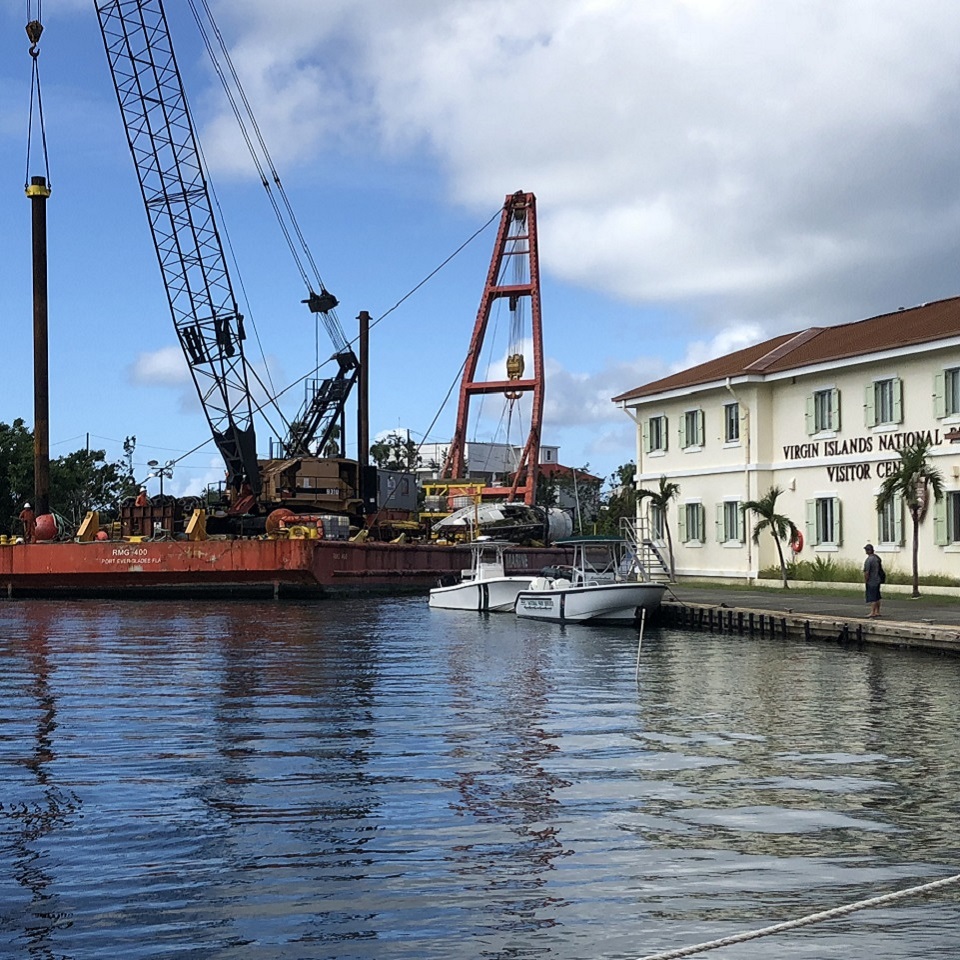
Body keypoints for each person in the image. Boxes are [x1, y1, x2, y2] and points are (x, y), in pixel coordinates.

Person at [863, 543, 882, 618]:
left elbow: (866, 572)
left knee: (872, 597)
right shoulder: (877, 558)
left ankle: (872, 612)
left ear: (868, 551)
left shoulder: (868, 560)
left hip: (871, 580)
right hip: (878, 579)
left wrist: (866, 580)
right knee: (877, 596)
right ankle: (877, 611)